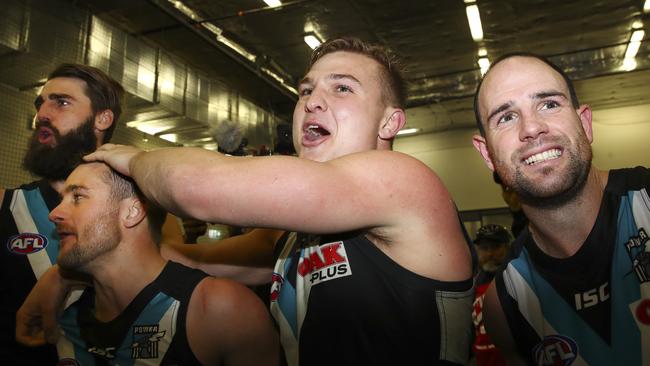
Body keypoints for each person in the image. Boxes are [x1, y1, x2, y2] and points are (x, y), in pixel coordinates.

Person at [20, 37, 474, 365]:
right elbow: (179, 260)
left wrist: (136, 158)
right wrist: (61, 277)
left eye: (342, 88)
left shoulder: (403, 180)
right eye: (306, 90)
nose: (313, 101)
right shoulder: (292, 236)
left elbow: (195, 189)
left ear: (390, 123)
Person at [471, 52, 650, 365]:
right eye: (506, 117)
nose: (532, 128)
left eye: (549, 104)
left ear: (584, 123)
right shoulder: (504, 304)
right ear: (487, 154)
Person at [50, 162, 278, 365]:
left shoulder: (221, 312)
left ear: (132, 211)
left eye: (77, 197)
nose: (54, 213)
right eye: (61, 199)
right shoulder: (60, 311)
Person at [0, 63, 124, 365]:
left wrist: (65, 276)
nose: (43, 113)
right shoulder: (8, 204)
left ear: (102, 118)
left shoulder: (143, 207)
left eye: (62, 102)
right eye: (41, 102)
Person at [471, 224, 510, 366]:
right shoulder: (471, 284)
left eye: (495, 247)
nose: (490, 253)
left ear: (506, 247)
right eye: (484, 248)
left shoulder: (518, 276)